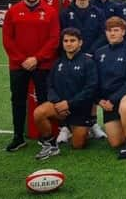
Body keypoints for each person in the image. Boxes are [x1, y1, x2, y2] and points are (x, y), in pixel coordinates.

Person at [2, 0, 60, 152]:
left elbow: (54, 39)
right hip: (18, 66)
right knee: (18, 101)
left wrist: (37, 58)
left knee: (44, 101)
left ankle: (47, 138)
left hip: (42, 65)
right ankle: (18, 137)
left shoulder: (50, 12)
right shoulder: (13, 12)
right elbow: (7, 39)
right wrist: (22, 60)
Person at [33, 28, 98, 159]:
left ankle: (85, 129)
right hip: (59, 107)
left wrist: (69, 104)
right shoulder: (58, 63)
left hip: (79, 109)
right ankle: (50, 144)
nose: (69, 44)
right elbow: (50, 85)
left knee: (78, 145)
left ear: (80, 43)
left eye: (72, 41)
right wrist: (57, 103)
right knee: (39, 113)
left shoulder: (88, 62)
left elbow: (90, 88)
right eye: (66, 41)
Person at [58, 0, 107, 143]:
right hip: (70, 57)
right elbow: (62, 35)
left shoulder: (98, 12)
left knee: (91, 89)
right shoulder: (66, 13)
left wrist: (90, 52)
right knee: (69, 88)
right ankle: (65, 126)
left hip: (92, 57)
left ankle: (92, 123)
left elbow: (103, 35)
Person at [93, 16, 126, 159]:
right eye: (109, 31)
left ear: (123, 32)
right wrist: (99, 100)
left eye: (116, 30)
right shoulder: (99, 53)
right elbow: (94, 80)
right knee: (115, 142)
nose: (112, 33)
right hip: (107, 101)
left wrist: (113, 99)